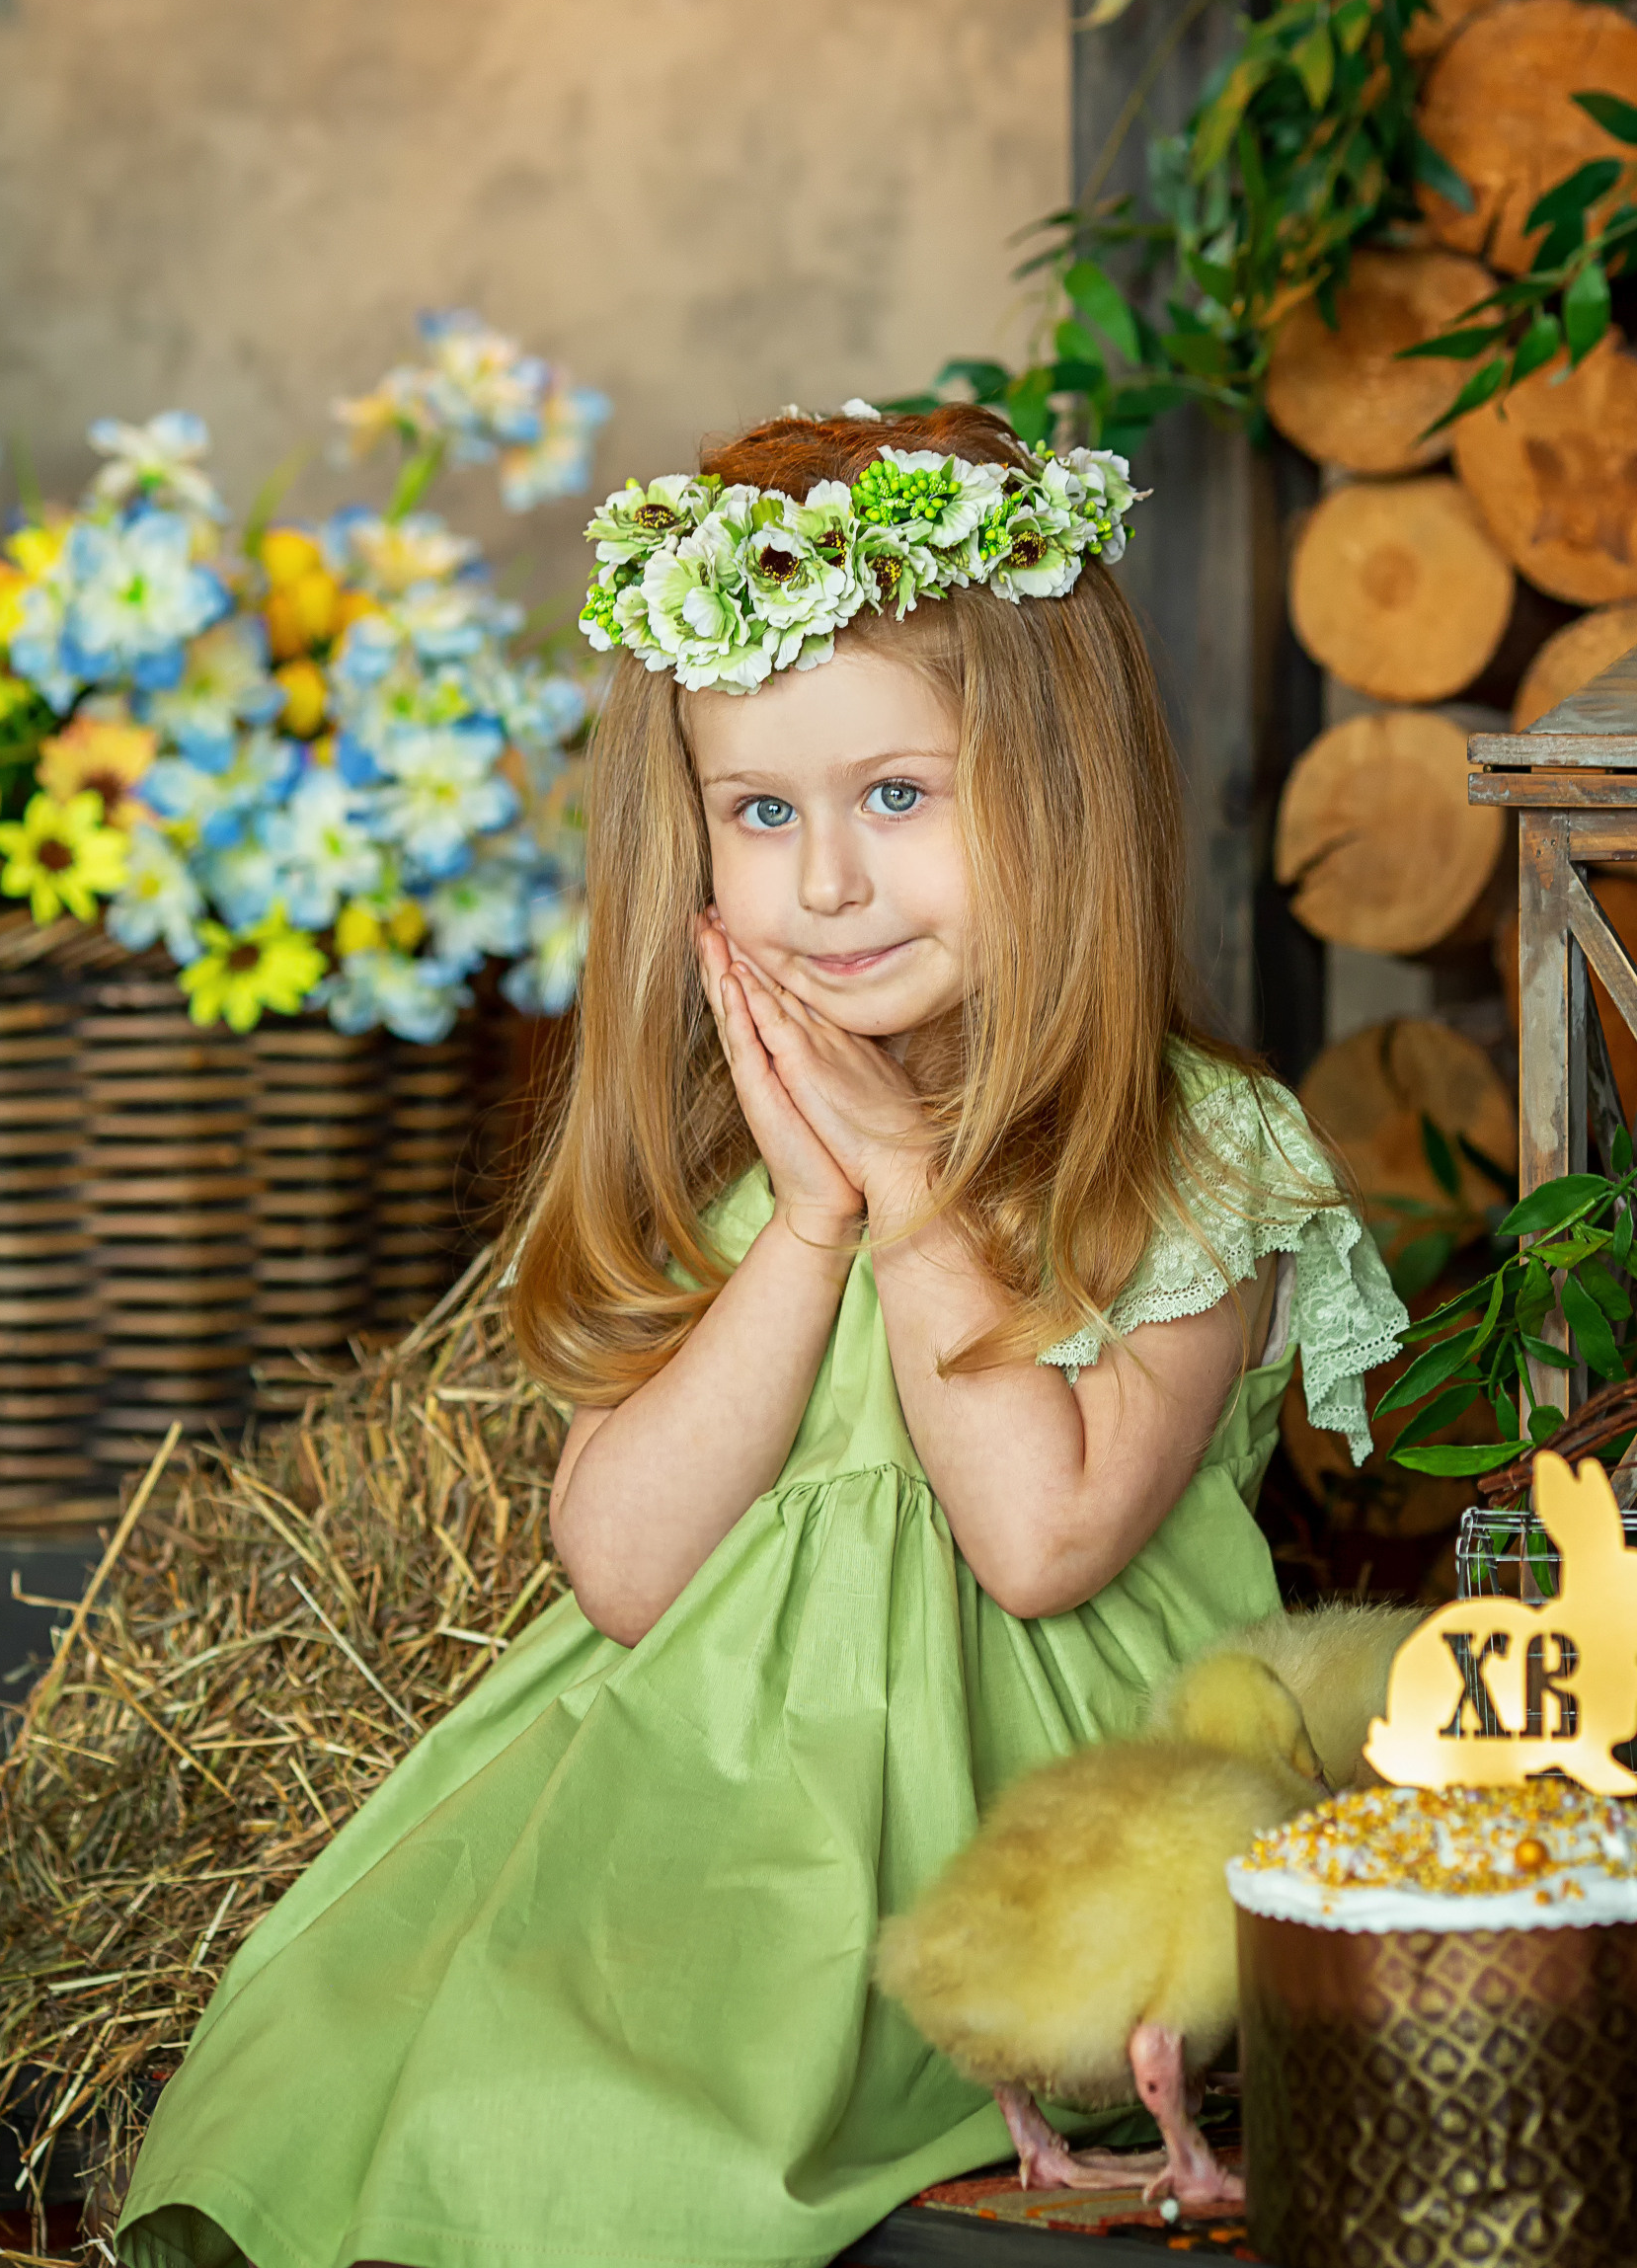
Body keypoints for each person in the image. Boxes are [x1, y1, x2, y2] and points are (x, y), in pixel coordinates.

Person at [117, 401, 1406, 2268]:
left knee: (664, 2114)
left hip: (1001, 1841)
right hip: (705, 1803)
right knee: (412, 2051)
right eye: (761, 814)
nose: (824, 883)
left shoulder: (1188, 1163)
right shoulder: (769, 1179)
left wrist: (910, 1200)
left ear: (1063, 797)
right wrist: (808, 1223)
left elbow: (1038, 1545)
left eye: (898, 796)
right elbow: (625, 1570)